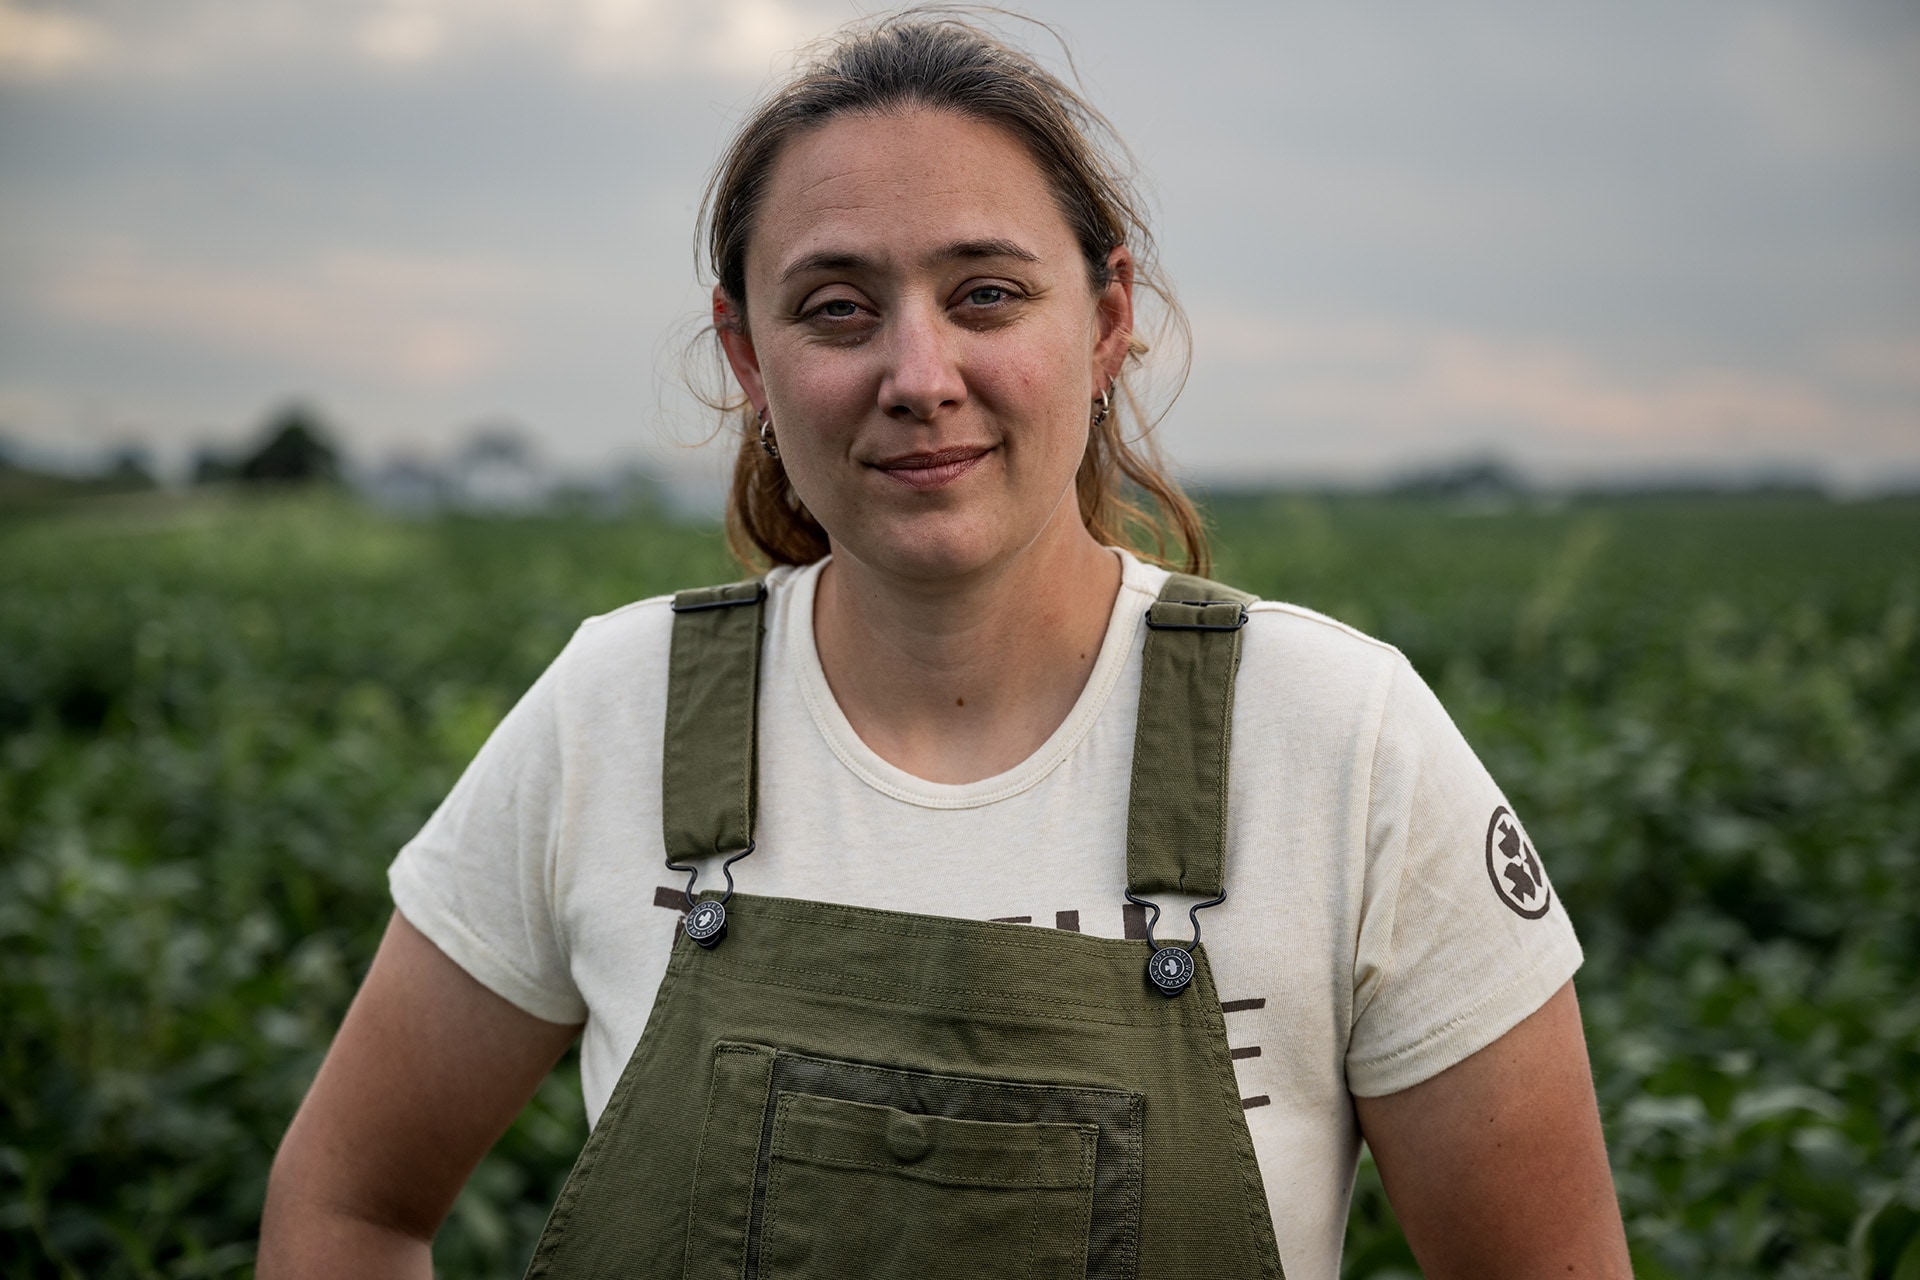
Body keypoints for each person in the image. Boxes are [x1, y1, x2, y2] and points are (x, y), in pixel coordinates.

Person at [259, 12, 1632, 1279]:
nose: (918, 377)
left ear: (1105, 322)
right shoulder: (615, 716)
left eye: (985, 294)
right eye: (837, 309)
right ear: (748, 359)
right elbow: (347, 1205)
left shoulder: (1341, 743)